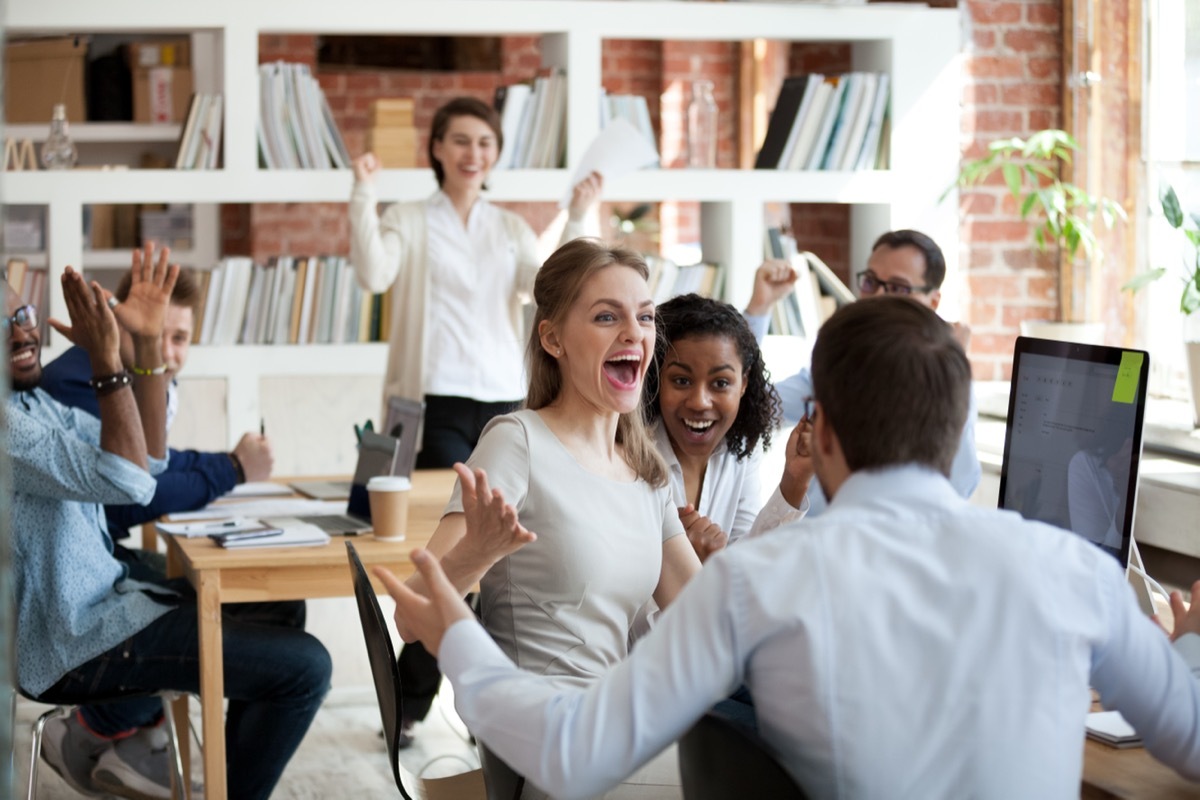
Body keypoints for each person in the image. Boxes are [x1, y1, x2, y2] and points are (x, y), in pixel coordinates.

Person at [378, 296, 1200, 799]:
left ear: (821, 433)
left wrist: (458, 639)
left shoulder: (753, 582)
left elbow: (576, 751)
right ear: (957, 439)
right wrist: (1186, 651)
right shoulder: (1078, 575)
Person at [9, 246, 331, 800]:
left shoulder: (35, 405)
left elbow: (149, 463)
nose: (22, 335)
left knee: (281, 608)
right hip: (76, 641)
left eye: (21, 316)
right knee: (306, 669)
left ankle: (222, 783)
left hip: (107, 601)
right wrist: (109, 360)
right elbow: (130, 484)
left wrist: (148, 344)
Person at [395, 238, 702, 795]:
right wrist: (479, 551)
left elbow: (705, 618)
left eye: (645, 317)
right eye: (607, 316)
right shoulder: (518, 442)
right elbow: (413, 616)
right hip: (549, 738)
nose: (634, 333)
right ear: (552, 337)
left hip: (618, 722)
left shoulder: (646, 471)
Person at [348, 96, 602, 741]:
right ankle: (409, 705)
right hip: (432, 403)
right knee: (449, 558)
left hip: (502, 403)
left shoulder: (511, 228)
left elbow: (550, 288)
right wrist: (362, 192)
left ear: (495, 155)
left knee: (499, 561)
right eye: (460, 141)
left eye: (485, 144)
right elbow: (373, 273)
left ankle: (483, 703)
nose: (473, 154)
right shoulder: (409, 217)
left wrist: (577, 213)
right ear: (437, 148)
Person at [40, 265, 274, 571]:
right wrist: (233, 469)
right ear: (120, 323)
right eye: (150, 334)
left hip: (99, 553)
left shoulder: (143, 383)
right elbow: (130, 494)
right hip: (79, 567)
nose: (164, 352)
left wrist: (233, 460)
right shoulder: (76, 384)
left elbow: (159, 462)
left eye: (179, 339)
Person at [743, 229, 981, 513]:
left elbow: (960, 484)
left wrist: (949, 374)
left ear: (933, 302)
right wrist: (760, 308)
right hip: (819, 540)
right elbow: (748, 405)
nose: (877, 297)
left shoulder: (948, 382)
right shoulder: (837, 365)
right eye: (870, 282)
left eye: (898, 287)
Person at [644, 293, 812, 562]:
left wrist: (794, 480)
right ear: (656, 379)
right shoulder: (629, 453)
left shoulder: (742, 447)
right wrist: (685, 565)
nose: (699, 402)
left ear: (743, 384)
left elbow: (748, 562)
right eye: (681, 380)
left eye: (720, 383)